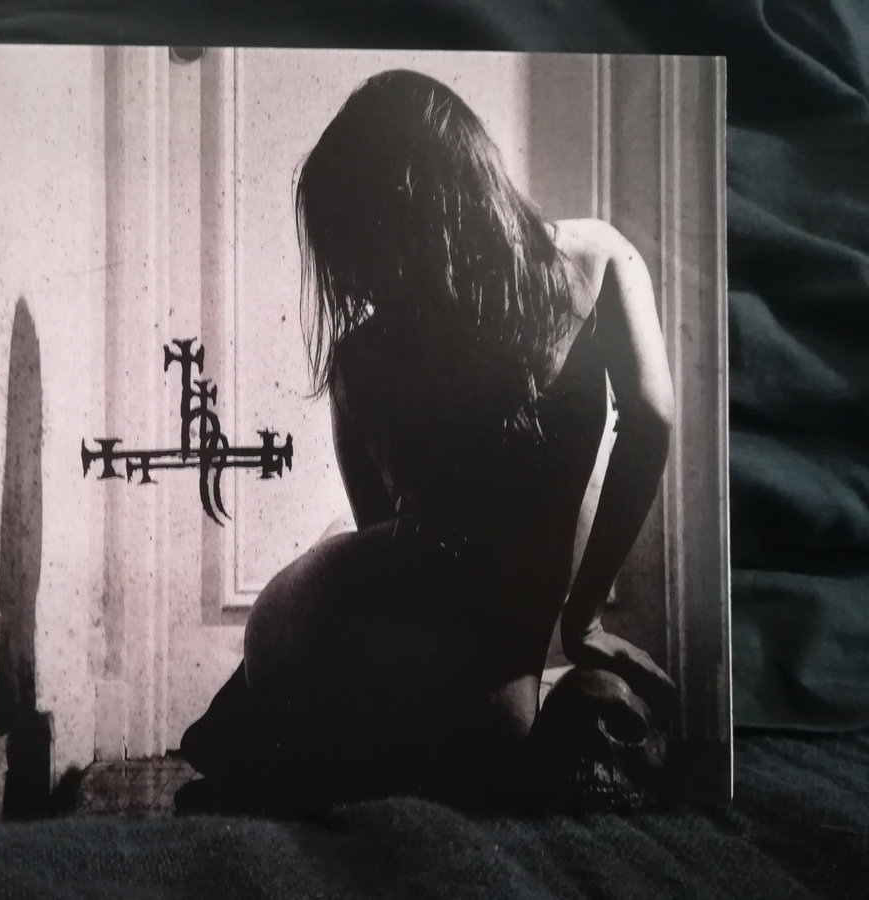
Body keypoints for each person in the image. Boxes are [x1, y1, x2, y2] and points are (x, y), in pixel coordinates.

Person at [176, 69, 675, 815]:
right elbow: (652, 423)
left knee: (345, 545)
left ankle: (257, 742)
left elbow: (380, 532)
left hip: (318, 643)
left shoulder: (363, 356)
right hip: (485, 688)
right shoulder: (597, 260)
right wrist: (583, 618)